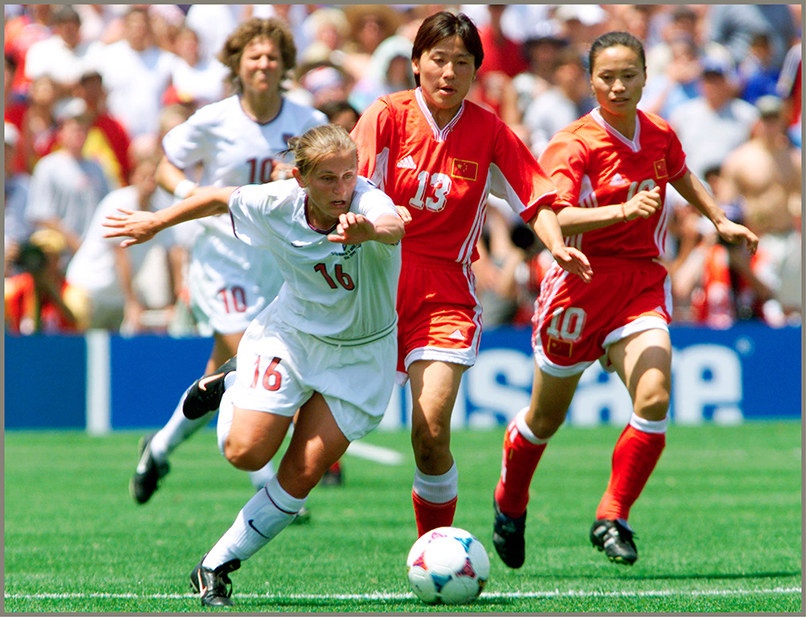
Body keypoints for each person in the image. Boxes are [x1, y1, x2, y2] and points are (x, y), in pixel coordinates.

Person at [104, 124, 406, 607]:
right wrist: (155, 223)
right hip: (292, 337)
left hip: (362, 354)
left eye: (348, 176)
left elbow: (394, 225)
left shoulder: (367, 202)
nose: (341, 189)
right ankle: (231, 379)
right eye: (328, 179)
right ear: (301, 179)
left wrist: (371, 229)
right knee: (245, 454)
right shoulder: (277, 202)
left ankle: (214, 567)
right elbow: (218, 198)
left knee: (304, 471)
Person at [491, 31, 759, 570]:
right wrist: (621, 213)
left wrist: (718, 218)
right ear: (591, 81)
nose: (618, 85)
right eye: (607, 77)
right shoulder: (573, 143)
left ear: (644, 77)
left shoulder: (659, 132)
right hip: (578, 285)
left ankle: (613, 515)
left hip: (639, 282)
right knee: (545, 420)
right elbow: (552, 213)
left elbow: (679, 172)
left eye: (628, 75)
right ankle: (509, 500)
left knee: (656, 396)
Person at [349, 11, 591, 539]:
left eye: (462, 62)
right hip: (373, 287)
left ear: (477, 70)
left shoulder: (489, 131)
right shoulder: (386, 116)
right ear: (416, 63)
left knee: (431, 432)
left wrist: (555, 246)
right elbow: (351, 192)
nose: (448, 72)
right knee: (323, 442)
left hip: (445, 293)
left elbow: (538, 198)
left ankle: (434, 550)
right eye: (437, 59)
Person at [129, 17, 328, 506]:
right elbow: (167, 164)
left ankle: (156, 450)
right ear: (237, 65)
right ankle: (265, 481)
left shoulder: (305, 119)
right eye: (254, 56)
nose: (264, 64)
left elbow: (333, 172)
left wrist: (300, 172)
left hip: (278, 261)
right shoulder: (214, 119)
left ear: (284, 66)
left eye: (273, 56)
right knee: (252, 358)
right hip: (221, 257)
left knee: (220, 372)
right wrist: (189, 191)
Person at [25, 98, 110, 258]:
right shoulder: (48, 166)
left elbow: (106, 209)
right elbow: (41, 215)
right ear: (61, 131)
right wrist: (76, 244)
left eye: (84, 128)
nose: (80, 133)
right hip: (59, 257)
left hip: (92, 255)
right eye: (74, 128)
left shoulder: (97, 167)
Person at [5, 229, 83, 335]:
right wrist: (7, 264)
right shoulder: (17, 287)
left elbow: (79, 326)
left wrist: (51, 291)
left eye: (50, 256)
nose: (44, 263)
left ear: (58, 259)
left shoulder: (71, 292)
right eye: (42, 256)